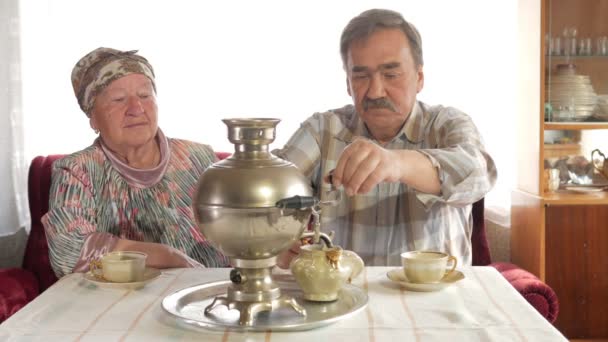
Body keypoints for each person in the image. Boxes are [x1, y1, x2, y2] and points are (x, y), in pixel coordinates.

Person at [274, 9, 497, 267]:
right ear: (348, 83)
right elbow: (268, 189)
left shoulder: (446, 124)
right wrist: (275, 241)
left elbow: (479, 173)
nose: (376, 90)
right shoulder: (323, 130)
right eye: (360, 76)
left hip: (435, 301)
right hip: (343, 298)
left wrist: (397, 163)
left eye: (390, 75)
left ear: (419, 78)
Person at [42, 47, 229, 278]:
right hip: (119, 305)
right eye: (119, 99)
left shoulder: (199, 158)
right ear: (93, 118)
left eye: (145, 95)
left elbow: (244, 229)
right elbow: (67, 251)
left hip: (207, 301)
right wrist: (168, 256)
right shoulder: (77, 171)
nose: (136, 109)